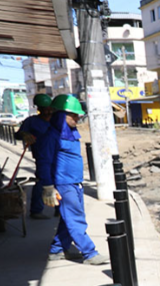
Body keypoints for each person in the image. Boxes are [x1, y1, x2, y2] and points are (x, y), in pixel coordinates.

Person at [34, 94, 107, 264]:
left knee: (68, 219)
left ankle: (57, 250)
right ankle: (90, 253)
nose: (77, 118)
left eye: (78, 115)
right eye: (73, 115)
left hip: (74, 183)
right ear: (60, 115)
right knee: (76, 218)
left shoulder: (71, 134)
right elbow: (44, 163)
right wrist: (48, 186)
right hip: (64, 184)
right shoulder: (51, 137)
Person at [16, 93, 55, 220]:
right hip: (42, 156)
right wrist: (24, 134)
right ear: (39, 108)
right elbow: (17, 135)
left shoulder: (56, 120)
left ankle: (60, 209)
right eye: (45, 109)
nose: (48, 111)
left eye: (50, 108)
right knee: (42, 182)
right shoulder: (32, 121)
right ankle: (36, 210)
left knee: (60, 181)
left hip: (58, 155)